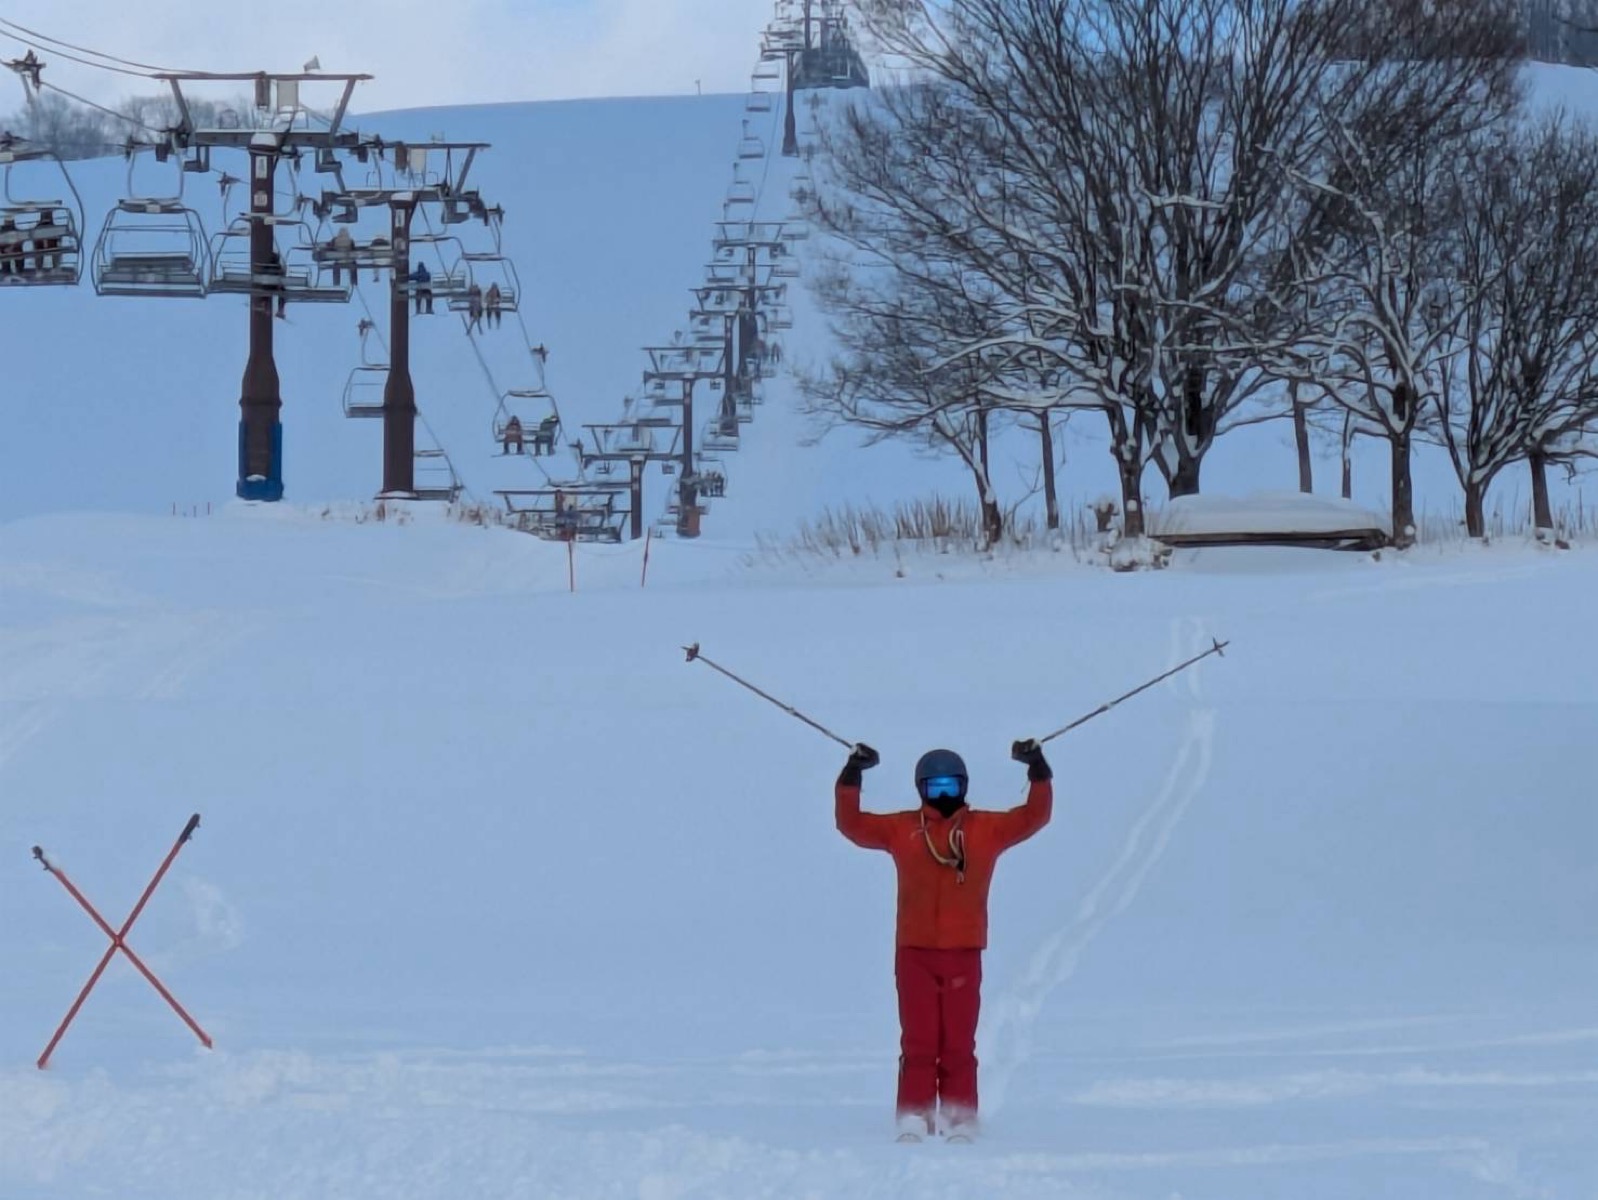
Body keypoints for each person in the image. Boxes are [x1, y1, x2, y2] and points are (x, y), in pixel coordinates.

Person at [835, 738, 1053, 1143]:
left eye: (951, 786)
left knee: (957, 1043)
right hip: (914, 953)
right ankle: (915, 1117)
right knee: (918, 1041)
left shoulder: (986, 829)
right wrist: (852, 775)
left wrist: (1037, 768)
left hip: (964, 954)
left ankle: (959, 1117)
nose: (945, 796)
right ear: (921, 790)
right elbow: (853, 826)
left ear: (964, 786)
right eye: (935, 788)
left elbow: (1034, 817)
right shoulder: (903, 829)